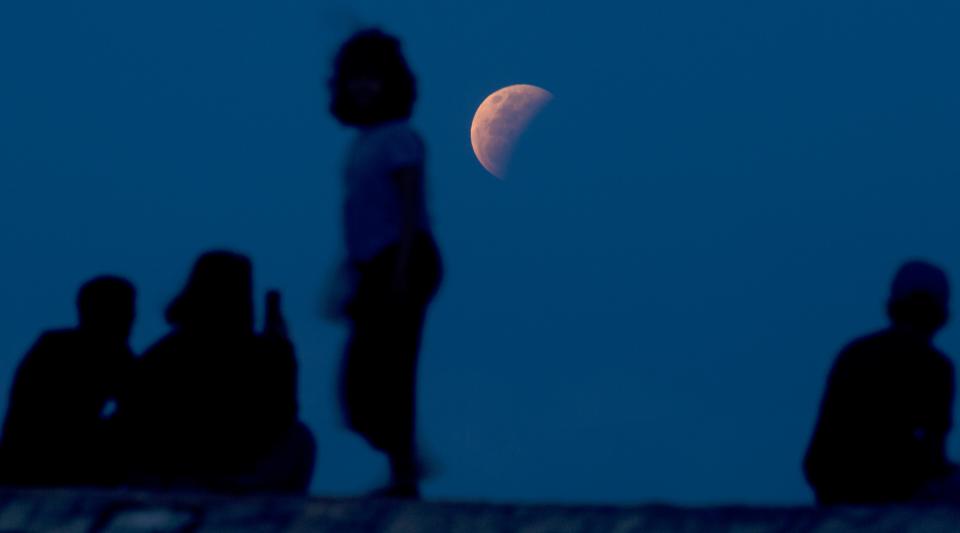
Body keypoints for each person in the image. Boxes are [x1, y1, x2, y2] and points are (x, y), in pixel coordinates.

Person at [328, 28, 443, 498]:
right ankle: (405, 461)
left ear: (391, 82)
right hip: (374, 265)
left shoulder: (400, 139)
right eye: (356, 78)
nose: (363, 87)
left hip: (403, 261)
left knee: (390, 371)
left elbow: (412, 208)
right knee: (362, 383)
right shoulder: (366, 141)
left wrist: (400, 272)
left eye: (373, 78)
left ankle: (404, 474)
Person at [120, 251, 314, 492]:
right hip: (220, 471)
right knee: (300, 437)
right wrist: (281, 351)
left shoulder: (162, 351)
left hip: (168, 471)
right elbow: (283, 411)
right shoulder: (260, 352)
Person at [803, 260, 955, 504]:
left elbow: (818, 460)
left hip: (838, 490)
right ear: (940, 316)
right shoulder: (935, 367)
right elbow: (933, 455)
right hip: (888, 494)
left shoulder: (855, 353)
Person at [0, 276, 136, 486]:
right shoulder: (63, 351)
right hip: (46, 468)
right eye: (123, 310)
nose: (129, 318)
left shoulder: (52, 347)